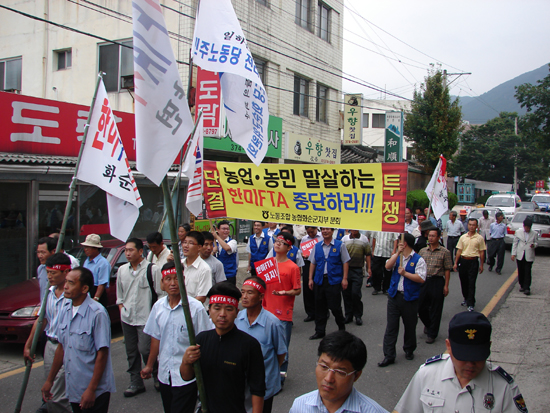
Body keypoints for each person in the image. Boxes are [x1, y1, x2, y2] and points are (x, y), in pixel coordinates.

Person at [394, 311, 527, 413]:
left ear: (489, 347)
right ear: (448, 346)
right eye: (463, 357)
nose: (470, 364)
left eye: (477, 357)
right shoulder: (427, 374)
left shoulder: (504, 388)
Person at [180, 282, 266, 413]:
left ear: (237, 312)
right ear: (209, 310)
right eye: (217, 308)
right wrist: (186, 361)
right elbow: (187, 377)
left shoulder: (249, 345)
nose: (222, 314)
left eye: (229, 309)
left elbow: (257, 389)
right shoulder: (201, 340)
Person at [141, 262, 213, 413]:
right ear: (162, 283)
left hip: (187, 376)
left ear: (183, 279)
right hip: (164, 374)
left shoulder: (195, 308)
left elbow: (206, 340)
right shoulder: (158, 307)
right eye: (168, 279)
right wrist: (149, 365)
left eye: (176, 278)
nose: (173, 283)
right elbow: (156, 338)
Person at [42, 267, 115, 413]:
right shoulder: (66, 309)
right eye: (66, 282)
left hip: (94, 390)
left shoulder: (97, 313)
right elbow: (62, 348)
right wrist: (50, 380)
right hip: (74, 387)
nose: (66, 287)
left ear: (84, 288)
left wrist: (91, 389)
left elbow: (102, 354)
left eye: (70, 283)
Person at [289, 331, 387, 413]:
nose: (328, 378)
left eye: (340, 372)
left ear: (356, 375)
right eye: (324, 366)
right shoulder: (300, 407)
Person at [25, 253, 72, 413]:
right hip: (50, 346)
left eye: (53, 273)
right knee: (52, 390)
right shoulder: (49, 293)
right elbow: (41, 320)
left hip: (66, 348)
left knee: (58, 393)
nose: (49, 276)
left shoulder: (73, 297)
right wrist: (29, 344)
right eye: (48, 273)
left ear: (66, 272)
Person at [116, 238, 163, 396]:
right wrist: (122, 309)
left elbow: (160, 294)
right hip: (128, 317)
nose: (128, 253)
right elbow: (120, 295)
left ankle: (156, 375)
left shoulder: (152, 269)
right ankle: (135, 381)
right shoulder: (122, 270)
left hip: (146, 318)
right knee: (131, 351)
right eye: (126, 250)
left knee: (145, 349)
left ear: (140, 251)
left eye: (131, 250)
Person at [236, 277, 287, 413]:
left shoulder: (273, 323)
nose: (245, 297)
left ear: (261, 296)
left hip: (265, 385)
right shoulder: (237, 320)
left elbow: (281, 353)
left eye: (250, 293)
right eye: (243, 292)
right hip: (241, 384)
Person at [378, 233, 427, 367]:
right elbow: (387, 266)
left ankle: (409, 349)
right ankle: (389, 355)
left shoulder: (418, 260)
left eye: (399, 242)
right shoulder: (397, 257)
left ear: (404, 243)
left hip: (409, 298)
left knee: (410, 326)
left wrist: (405, 274)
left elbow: (421, 278)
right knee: (391, 327)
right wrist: (397, 253)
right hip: (394, 296)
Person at [261, 232, 301, 386]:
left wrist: (286, 292)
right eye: (276, 241)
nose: (277, 244)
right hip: (265, 310)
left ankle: (281, 376)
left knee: (281, 347)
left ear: (289, 247)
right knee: (265, 344)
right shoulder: (267, 264)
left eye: (281, 242)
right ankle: (266, 373)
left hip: (283, 314)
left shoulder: (293, 267)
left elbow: (297, 290)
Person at [308, 227, 351, 340]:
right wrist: (310, 279)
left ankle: (341, 329)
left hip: (334, 281)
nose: (325, 231)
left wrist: (344, 278)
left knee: (335, 307)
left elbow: (345, 262)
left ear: (332, 231)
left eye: (327, 229)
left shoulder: (339, 245)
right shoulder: (317, 246)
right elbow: (313, 263)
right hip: (319, 280)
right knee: (319, 307)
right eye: (323, 230)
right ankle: (320, 331)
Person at [418, 227, 452, 344]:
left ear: (438, 237)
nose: (431, 238)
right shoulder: (422, 251)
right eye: (429, 235)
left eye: (433, 236)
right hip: (424, 281)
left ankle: (432, 333)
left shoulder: (445, 252)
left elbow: (447, 269)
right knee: (420, 307)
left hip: (437, 281)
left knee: (436, 308)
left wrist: (446, 285)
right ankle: (428, 324)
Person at [453, 218, 486, 312]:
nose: (471, 227)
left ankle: (471, 303)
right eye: (470, 225)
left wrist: (482, 265)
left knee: (471, 283)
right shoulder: (463, 237)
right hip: (463, 261)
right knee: (464, 282)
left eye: (473, 225)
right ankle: (466, 298)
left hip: (473, 262)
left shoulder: (479, 238)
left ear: (476, 226)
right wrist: (455, 263)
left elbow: (482, 252)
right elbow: (459, 251)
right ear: (467, 225)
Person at [341, 230, 371, 326]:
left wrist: (369, 268)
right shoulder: (344, 239)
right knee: (346, 293)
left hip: (358, 270)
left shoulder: (364, 239)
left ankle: (358, 315)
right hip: (346, 270)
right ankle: (348, 315)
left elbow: (368, 254)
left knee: (355, 293)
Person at [182, 231, 212, 304]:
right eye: (185, 242)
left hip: (194, 311)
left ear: (199, 247)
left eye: (191, 243)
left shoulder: (204, 269)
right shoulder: (179, 264)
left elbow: (202, 297)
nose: (186, 246)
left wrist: (184, 307)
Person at [300, 226, 323, 322]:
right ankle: (310, 313)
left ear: (316, 229)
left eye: (312, 232)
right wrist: (303, 255)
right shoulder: (304, 239)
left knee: (319, 287)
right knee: (307, 287)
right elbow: (301, 251)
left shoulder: (322, 237)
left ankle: (322, 311)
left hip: (319, 263)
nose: (310, 234)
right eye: (308, 232)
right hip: (307, 263)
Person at [81, 234, 110, 306]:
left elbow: (102, 283)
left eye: (88, 247)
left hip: (96, 292)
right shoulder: (86, 261)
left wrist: (96, 298)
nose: (86, 249)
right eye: (85, 247)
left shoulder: (103, 263)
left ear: (96, 248)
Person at [511, 217, 538, 296]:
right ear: (524, 226)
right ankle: (522, 285)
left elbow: (536, 243)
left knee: (527, 271)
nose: (527, 229)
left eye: (529, 228)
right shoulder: (518, 232)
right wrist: (513, 254)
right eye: (526, 227)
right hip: (520, 254)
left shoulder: (534, 233)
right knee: (521, 270)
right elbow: (515, 243)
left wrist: (534, 245)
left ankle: (527, 287)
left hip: (529, 254)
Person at [370, 231, 399, 295]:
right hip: (377, 252)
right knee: (375, 270)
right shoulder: (377, 227)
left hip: (388, 253)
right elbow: (374, 239)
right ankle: (377, 288)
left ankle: (386, 288)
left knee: (387, 272)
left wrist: (394, 250)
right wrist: (373, 250)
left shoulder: (392, 227)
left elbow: (395, 239)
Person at [212, 220, 239, 285]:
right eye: (223, 229)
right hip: (216, 275)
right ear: (217, 230)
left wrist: (217, 236)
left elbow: (227, 248)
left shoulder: (233, 242)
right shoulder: (213, 243)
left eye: (227, 229)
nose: (226, 231)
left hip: (229, 275)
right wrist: (213, 251)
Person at [36, 236, 57, 301]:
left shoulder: (59, 270)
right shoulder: (40, 269)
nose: (40, 256)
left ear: (53, 251)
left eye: (43, 252)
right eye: (38, 252)